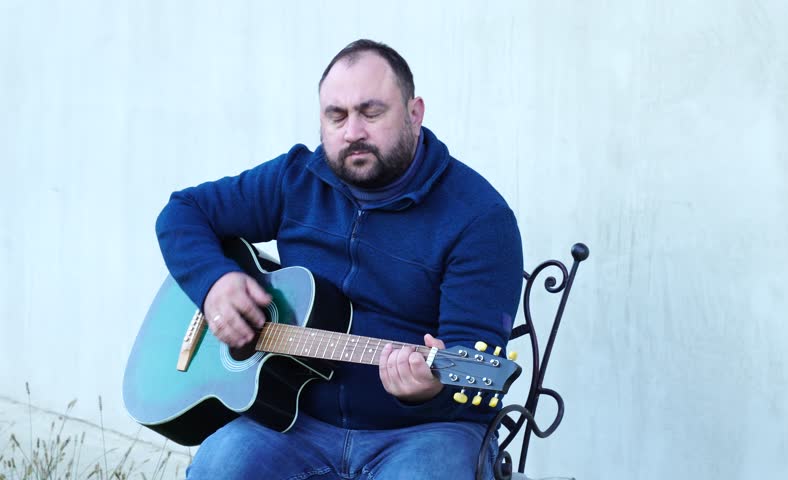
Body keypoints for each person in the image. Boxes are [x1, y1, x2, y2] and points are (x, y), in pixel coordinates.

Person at [155, 39, 523, 479]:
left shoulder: (479, 218)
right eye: (337, 116)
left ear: (414, 112)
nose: (352, 132)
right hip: (291, 422)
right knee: (218, 468)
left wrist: (428, 389)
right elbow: (182, 213)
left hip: (426, 431)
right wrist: (214, 282)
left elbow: (471, 364)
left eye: (371, 112)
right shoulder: (296, 179)